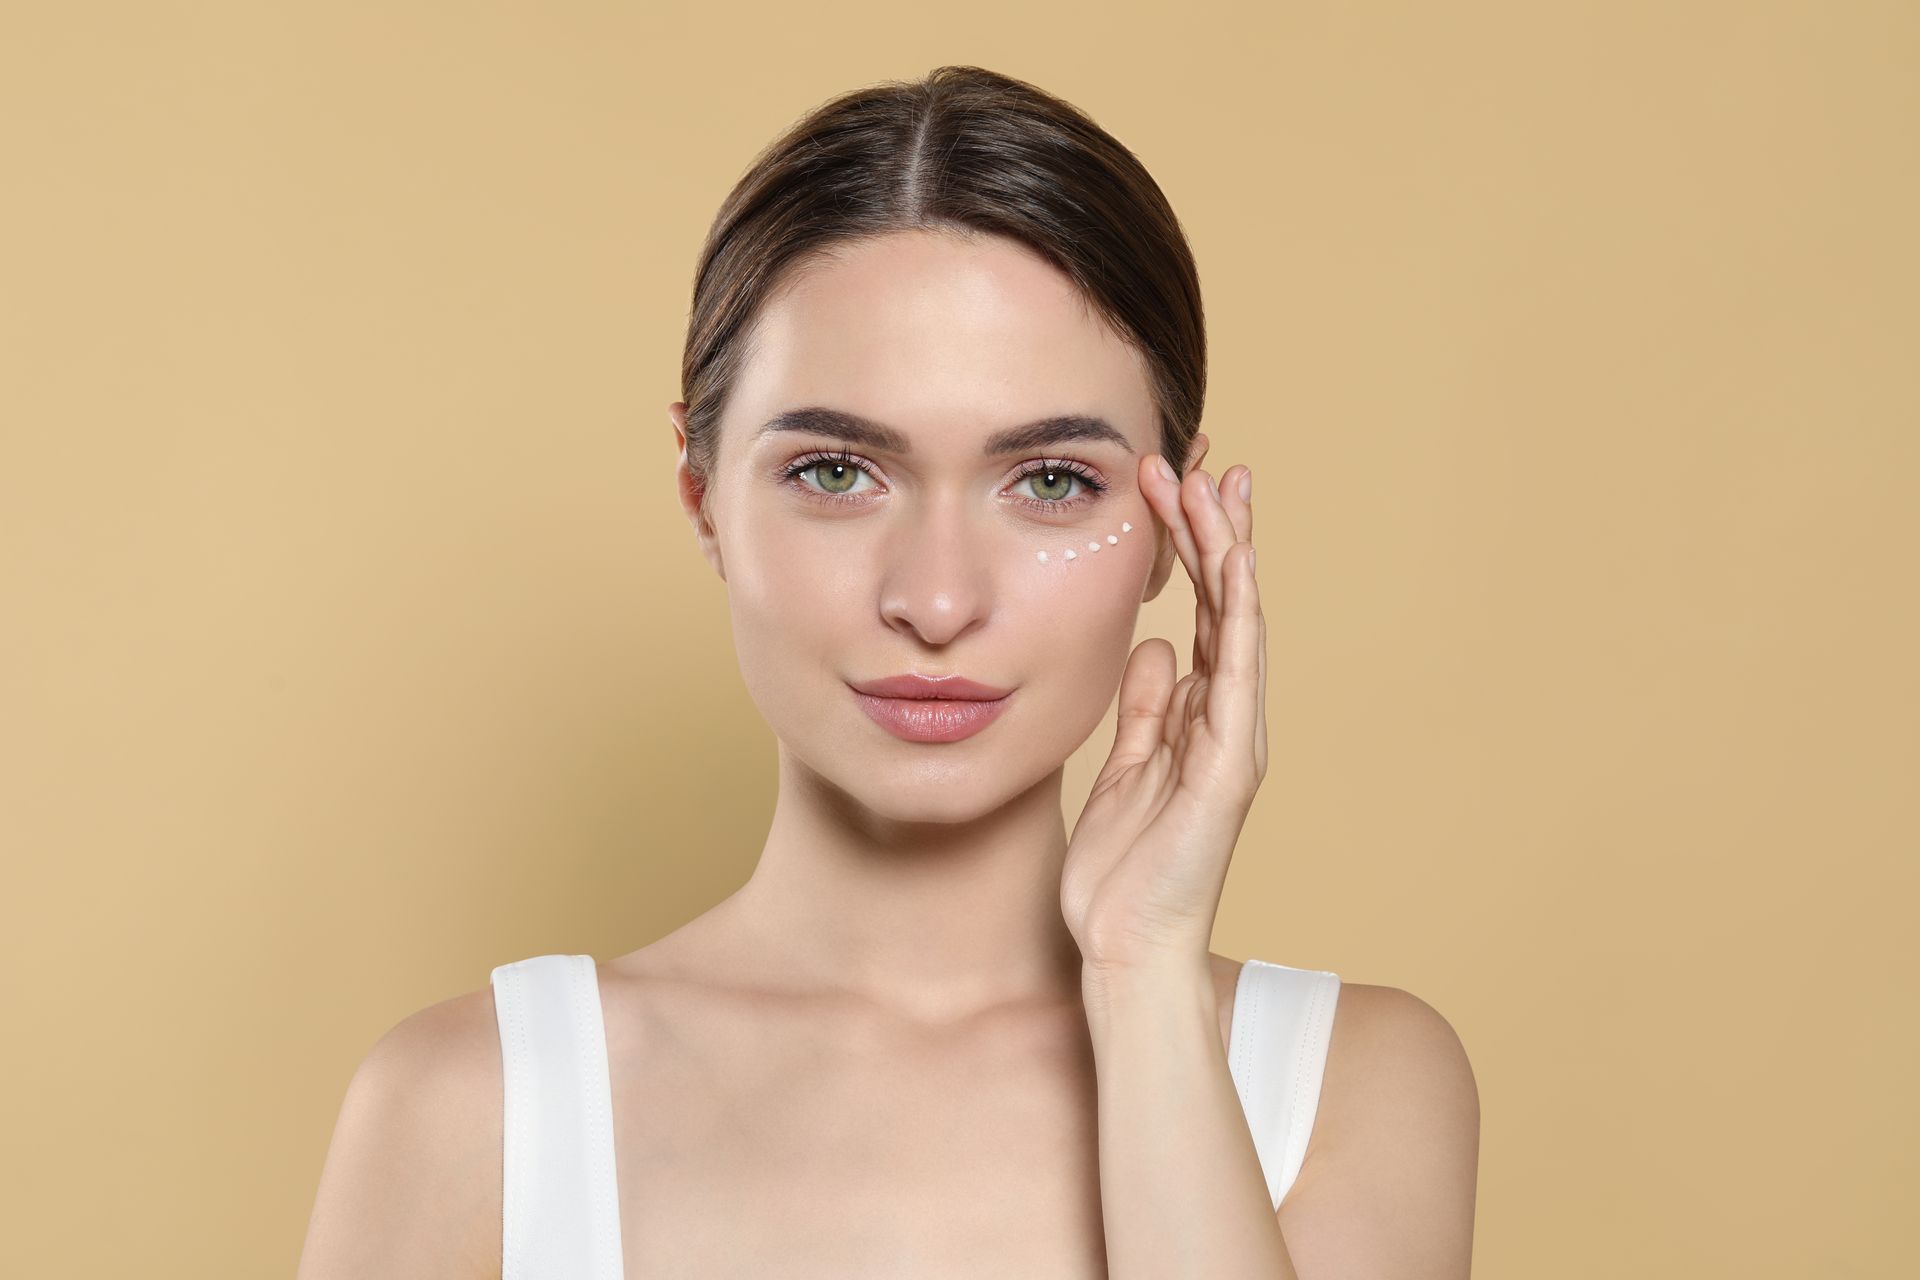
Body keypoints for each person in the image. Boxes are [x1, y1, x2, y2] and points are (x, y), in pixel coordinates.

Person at [297, 65, 1479, 1278]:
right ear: (703, 500)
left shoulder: (1351, 1081)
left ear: (1177, 523)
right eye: (835, 471)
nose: (936, 599)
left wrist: (1146, 982)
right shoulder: (466, 1110)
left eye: (1053, 481)